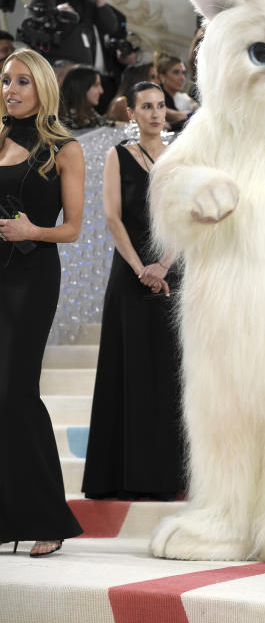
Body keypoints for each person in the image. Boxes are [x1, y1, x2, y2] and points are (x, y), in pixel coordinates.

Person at [82, 81, 186, 501]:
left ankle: (169, 476)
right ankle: (122, 478)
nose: (156, 114)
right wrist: (140, 266)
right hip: (128, 274)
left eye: (161, 106)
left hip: (173, 273)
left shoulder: (182, 156)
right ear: (132, 113)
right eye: (147, 106)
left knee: (169, 374)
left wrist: (163, 264)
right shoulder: (117, 155)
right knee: (127, 371)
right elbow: (112, 216)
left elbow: (187, 218)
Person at [0, 48, 85, 556]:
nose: (11, 89)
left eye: (23, 82)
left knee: (15, 394)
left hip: (31, 277)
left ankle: (48, 516)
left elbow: (73, 229)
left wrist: (34, 229)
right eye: (6, 80)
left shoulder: (64, 149)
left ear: (44, 89)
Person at [59, 65, 117, 130]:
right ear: (81, 88)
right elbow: (101, 123)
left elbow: (103, 122)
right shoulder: (67, 118)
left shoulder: (86, 109)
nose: (101, 91)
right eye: (96, 85)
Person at [155, 52, 191, 130]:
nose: (182, 78)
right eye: (176, 72)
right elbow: (178, 116)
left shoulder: (179, 97)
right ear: (162, 77)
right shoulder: (156, 97)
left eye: (183, 73)